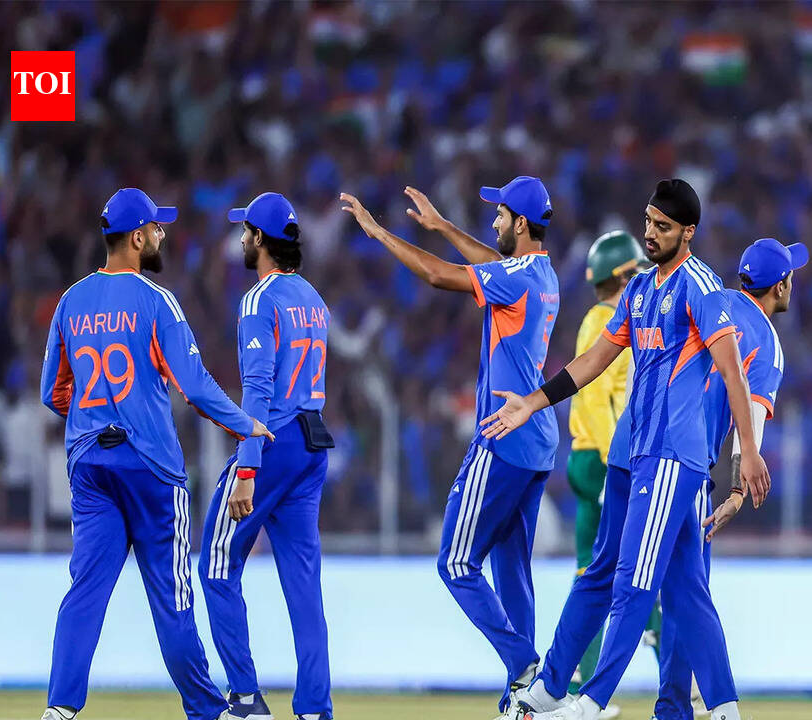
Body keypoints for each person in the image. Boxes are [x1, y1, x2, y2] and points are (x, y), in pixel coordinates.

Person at [482, 178, 770, 720]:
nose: (650, 233)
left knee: (633, 581)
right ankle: (719, 706)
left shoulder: (702, 286)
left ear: (688, 232)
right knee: (676, 587)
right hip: (633, 453)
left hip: (671, 456)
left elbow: (733, 372)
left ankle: (591, 701)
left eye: (663, 226)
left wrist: (747, 453)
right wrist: (534, 402)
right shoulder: (639, 290)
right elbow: (595, 359)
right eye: (648, 222)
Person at [38, 188, 273, 720]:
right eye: (157, 228)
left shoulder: (71, 300)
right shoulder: (156, 300)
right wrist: (245, 424)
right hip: (151, 468)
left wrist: (92, 419)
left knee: (85, 591)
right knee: (173, 601)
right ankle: (207, 711)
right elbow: (194, 385)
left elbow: (53, 391)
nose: (163, 234)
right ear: (137, 238)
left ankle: (60, 708)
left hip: (90, 465)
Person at [339, 178, 559, 717]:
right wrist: (442, 227)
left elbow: (439, 275)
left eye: (501, 214)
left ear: (521, 224)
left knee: (457, 562)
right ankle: (524, 702)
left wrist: (379, 233)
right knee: (513, 572)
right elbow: (492, 262)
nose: (494, 221)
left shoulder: (516, 276)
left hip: (502, 436)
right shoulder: (542, 274)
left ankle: (528, 669)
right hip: (537, 442)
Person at [655, 237, 806, 720]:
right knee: (686, 590)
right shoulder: (767, 342)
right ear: (780, 286)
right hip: (688, 467)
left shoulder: (710, 298)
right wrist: (740, 489)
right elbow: (751, 424)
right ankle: (707, 706)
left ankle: (669, 707)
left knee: (664, 586)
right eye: (790, 277)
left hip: (644, 447)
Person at [199, 193, 335, 720]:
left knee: (216, 562)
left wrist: (248, 467)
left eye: (245, 231)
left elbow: (257, 390)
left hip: (272, 442)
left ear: (260, 239)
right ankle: (315, 708)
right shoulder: (313, 298)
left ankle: (244, 698)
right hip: (312, 441)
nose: (240, 239)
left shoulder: (259, 300)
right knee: (304, 583)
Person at [567, 230, 650, 713]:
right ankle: (678, 674)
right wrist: (613, 462)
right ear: (624, 276)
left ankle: (581, 677)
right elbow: (596, 398)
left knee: (592, 569)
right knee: (634, 566)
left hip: (587, 456)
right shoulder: (608, 322)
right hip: (604, 460)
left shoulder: (596, 319)